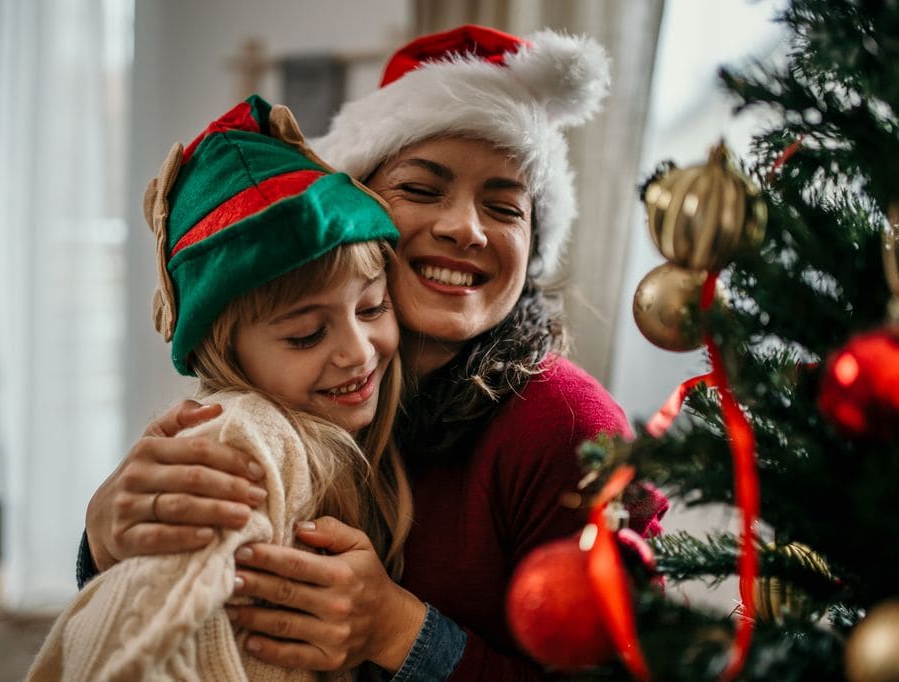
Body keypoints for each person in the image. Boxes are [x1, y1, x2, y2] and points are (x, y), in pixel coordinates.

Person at [79, 25, 669, 680]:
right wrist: (106, 541)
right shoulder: (294, 401)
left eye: (504, 207)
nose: (464, 228)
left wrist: (400, 632)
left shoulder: (569, 431)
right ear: (357, 215)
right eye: (421, 189)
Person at [30, 95, 415, 680]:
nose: (358, 351)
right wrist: (102, 544)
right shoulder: (242, 443)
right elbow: (122, 639)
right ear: (224, 351)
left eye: (373, 306)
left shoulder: (355, 433)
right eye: (307, 334)